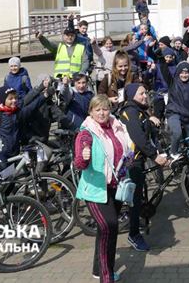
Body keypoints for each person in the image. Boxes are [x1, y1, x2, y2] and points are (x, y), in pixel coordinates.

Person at [74, 95, 133, 283]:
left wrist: (129, 155)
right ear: (91, 112)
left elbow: (125, 147)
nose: (102, 113)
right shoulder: (86, 133)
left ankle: (98, 270)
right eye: (97, 109)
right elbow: (79, 164)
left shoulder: (116, 125)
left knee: (107, 230)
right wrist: (84, 156)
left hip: (116, 186)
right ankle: (106, 278)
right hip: (95, 189)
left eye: (105, 109)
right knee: (109, 225)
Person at [117, 83, 169, 252]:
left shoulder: (137, 110)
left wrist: (150, 119)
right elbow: (138, 136)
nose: (145, 95)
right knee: (134, 200)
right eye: (141, 93)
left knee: (137, 197)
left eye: (145, 92)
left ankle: (134, 220)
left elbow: (145, 128)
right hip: (132, 162)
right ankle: (133, 235)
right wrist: (155, 155)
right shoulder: (131, 112)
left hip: (137, 159)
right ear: (132, 95)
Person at [0, 86, 47, 162]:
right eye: (10, 99)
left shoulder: (17, 113)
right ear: (3, 100)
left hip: (15, 153)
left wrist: (45, 96)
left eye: (15, 98)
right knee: (2, 173)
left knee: (16, 173)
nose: (14, 100)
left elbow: (31, 107)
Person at [158, 61, 189, 155]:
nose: (184, 75)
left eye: (186, 73)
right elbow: (164, 70)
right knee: (177, 133)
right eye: (182, 73)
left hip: (188, 116)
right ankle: (173, 154)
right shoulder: (172, 82)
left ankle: (188, 164)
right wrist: (160, 57)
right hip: (173, 113)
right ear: (178, 73)